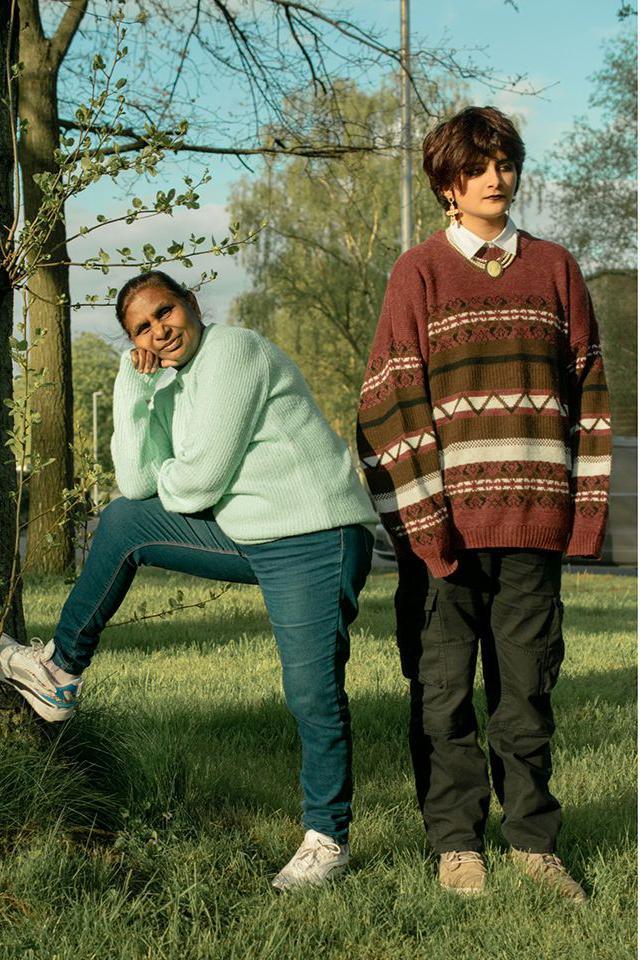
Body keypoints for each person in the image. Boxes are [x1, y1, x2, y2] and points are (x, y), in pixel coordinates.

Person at [0, 270, 377, 891]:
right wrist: (132, 384)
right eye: (141, 329)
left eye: (164, 312)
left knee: (311, 694)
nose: (159, 331)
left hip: (317, 536)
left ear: (191, 304)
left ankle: (327, 839)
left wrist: (181, 476)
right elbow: (138, 483)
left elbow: (198, 483)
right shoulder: (169, 381)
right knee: (123, 522)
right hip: (252, 532)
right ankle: (60, 673)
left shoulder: (235, 350)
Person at [356, 106, 611, 901]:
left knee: (527, 690)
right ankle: (456, 843)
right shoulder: (419, 273)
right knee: (441, 694)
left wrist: (584, 515)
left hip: (533, 525)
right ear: (447, 184)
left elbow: (590, 396)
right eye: (478, 167)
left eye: (505, 162)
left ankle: (535, 843)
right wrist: (425, 523)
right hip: (445, 533)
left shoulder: (558, 269)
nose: (496, 179)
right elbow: (385, 402)